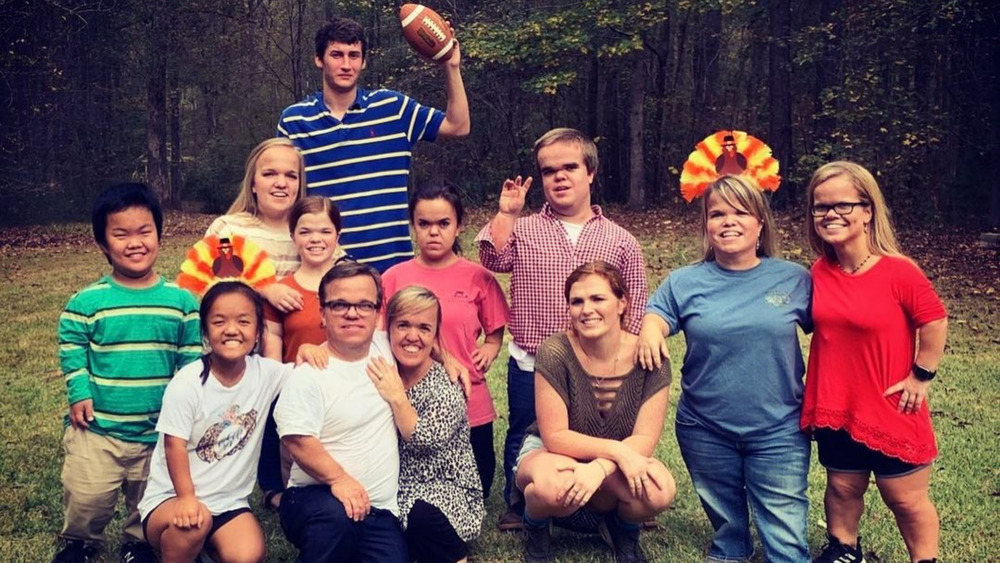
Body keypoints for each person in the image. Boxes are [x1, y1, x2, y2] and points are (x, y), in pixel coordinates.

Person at [476, 127, 649, 529]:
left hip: (597, 362)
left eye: (570, 167)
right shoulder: (526, 228)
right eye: (549, 170)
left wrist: (631, 351)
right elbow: (492, 257)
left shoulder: (619, 240)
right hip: (533, 358)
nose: (559, 176)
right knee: (524, 427)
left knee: (597, 428)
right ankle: (521, 501)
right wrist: (507, 214)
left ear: (590, 172)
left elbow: (635, 301)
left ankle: (614, 496)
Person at [638, 176, 813, 563]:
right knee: (726, 515)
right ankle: (732, 547)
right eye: (717, 213)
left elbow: (838, 328)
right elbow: (657, 313)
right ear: (706, 224)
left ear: (761, 223)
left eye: (740, 212)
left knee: (785, 543)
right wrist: (651, 330)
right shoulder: (685, 281)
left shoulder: (794, 278)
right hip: (706, 427)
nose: (727, 221)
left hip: (779, 426)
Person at [802, 162, 948, 563]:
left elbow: (934, 321)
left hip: (890, 403)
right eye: (820, 207)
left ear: (868, 211)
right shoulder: (818, 272)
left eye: (843, 205)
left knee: (905, 499)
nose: (830, 214)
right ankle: (844, 551)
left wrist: (921, 375)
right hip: (837, 406)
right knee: (843, 488)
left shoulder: (899, 271)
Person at [53, 183, 201, 563]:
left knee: (147, 496)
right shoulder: (87, 301)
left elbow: (190, 362)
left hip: (156, 431)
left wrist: (187, 409)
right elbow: (71, 345)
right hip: (98, 429)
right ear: (103, 243)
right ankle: (79, 543)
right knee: (87, 495)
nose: (134, 242)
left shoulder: (181, 301)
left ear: (159, 235)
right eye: (120, 234)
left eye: (144, 231)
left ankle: (138, 543)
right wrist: (79, 391)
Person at [276, 17, 470, 272]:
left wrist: (451, 66)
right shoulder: (295, 120)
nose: (346, 64)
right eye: (336, 54)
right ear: (319, 59)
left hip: (393, 270)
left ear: (363, 61)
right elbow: (282, 198)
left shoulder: (393, 109)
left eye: (354, 55)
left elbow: (458, 126)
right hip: (328, 272)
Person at [515, 261, 674, 563]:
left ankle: (624, 531)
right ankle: (535, 527)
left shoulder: (650, 356)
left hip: (617, 457)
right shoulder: (555, 351)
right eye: (577, 301)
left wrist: (600, 467)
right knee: (550, 487)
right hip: (554, 452)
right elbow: (556, 435)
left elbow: (644, 439)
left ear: (622, 303)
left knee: (658, 490)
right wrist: (614, 451)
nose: (586, 309)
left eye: (598, 298)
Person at [138, 282, 292, 563]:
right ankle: (176, 552)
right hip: (172, 499)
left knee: (248, 555)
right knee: (194, 524)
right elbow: (173, 445)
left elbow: (304, 374)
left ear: (258, 332)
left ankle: (204, 549)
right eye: (219, 321)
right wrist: (186, 498)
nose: (231, 329)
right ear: (206, 332)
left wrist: (309, 351)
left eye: (244, 321)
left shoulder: (266, 374)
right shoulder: (188, 383)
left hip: (228, 502)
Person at [274, 262, 406, 562]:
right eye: (340, 305)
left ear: (377, 312)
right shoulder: (310, 374)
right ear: (322, 313)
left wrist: (449, 359)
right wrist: (339, 480)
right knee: (334, 524)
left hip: (379, 508)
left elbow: (422, 337)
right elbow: (296, 439)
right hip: (315, 497)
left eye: (363, 305)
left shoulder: (385, 347)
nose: (352, 313)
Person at [382, 184, 509, 498]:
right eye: (424, 224)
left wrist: (491, 346)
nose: (433, 233)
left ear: (459, 225)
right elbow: (379, 334)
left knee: (478, 475)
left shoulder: (478, 277)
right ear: (413, 226)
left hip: (467, 393)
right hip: (410, 394)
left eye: (443, 224)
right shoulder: (394, 278)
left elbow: (495, 326)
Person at [368, 286, 485, 562]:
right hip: (395, 487)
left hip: (442, 488)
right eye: (403, 325)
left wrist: (398, 397)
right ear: (388, 328)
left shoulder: (445, 387)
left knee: (420, 517)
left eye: (424, 328)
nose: (412, 336)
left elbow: (423, 440)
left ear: (435, 335)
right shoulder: (384, 363)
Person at [259, 196, 347, 510]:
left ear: (338, 235)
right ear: (293, 235)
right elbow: (273, 351)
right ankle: (285, 492)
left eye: (324, 231)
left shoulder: (352, 285)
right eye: (305, 231)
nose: (315, 239)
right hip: (296, 388)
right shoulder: (282, 290)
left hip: (344, 389)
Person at [206, 137, 305, 312]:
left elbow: (341, 273)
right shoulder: (228, 229)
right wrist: (266, 288)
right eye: (269, 174)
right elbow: (211, 283)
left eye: (291, 176)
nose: (281, 184)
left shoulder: (309, 233)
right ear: (253, 183)